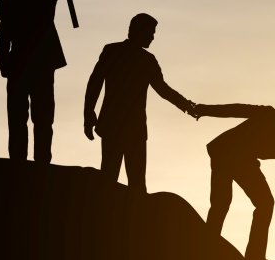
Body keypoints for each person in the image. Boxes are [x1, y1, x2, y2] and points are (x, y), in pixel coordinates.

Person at [188, 103, 275, 260]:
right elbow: (235, 110)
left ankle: (254, 256)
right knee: (224, 202)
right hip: (226, 151)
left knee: (264, 203)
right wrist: (202, 110)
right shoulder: (269, 115)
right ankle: (210, 246)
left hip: (242, 160)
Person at [82, 13, 195, 192]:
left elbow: (162, 89)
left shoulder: (137, 57)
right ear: (138, 31)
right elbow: (95, 82)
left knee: (128, 181)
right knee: (122, 180)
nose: (152, 37)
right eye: (150, 32)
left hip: (125, 127)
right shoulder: (125, 55)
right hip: (127, 128)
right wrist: (88, 113)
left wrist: (186, 105)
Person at [0, 0, 77, 163]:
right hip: (31, 64)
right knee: (34, 120)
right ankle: (31, 165)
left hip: (25, 64)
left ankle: (29, 165)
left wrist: (3, 60)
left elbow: (3, 36)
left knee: (30, 120)